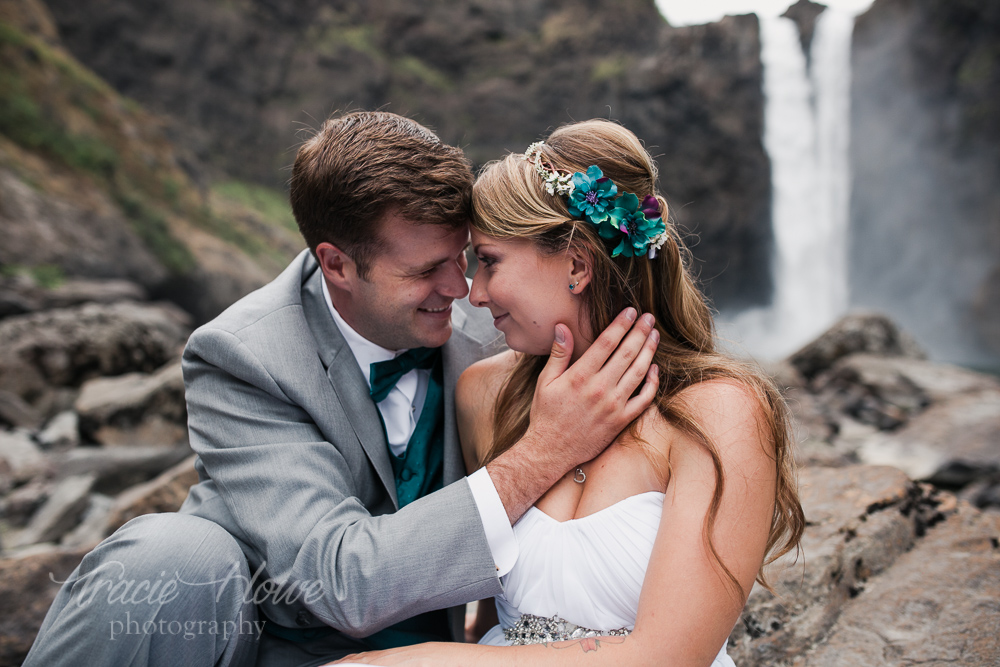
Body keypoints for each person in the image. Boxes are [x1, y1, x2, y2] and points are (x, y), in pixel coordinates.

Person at [23, 112, 660, 667]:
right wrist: (544, 450)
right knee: (168, 560)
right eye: (424, 271)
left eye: (465, 257)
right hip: (270, 647)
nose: (462, 290)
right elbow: (338, 579)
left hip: (444, 656)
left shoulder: (504, 331)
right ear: (337, 265)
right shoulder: (242, 357)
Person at [330, 119, 806, 667]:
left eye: (488, 261)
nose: (473, 294)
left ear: (577, 263)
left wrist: (416, 662)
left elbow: (670, 656)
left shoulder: (720, 413)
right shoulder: (485, 395)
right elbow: (494, 615)